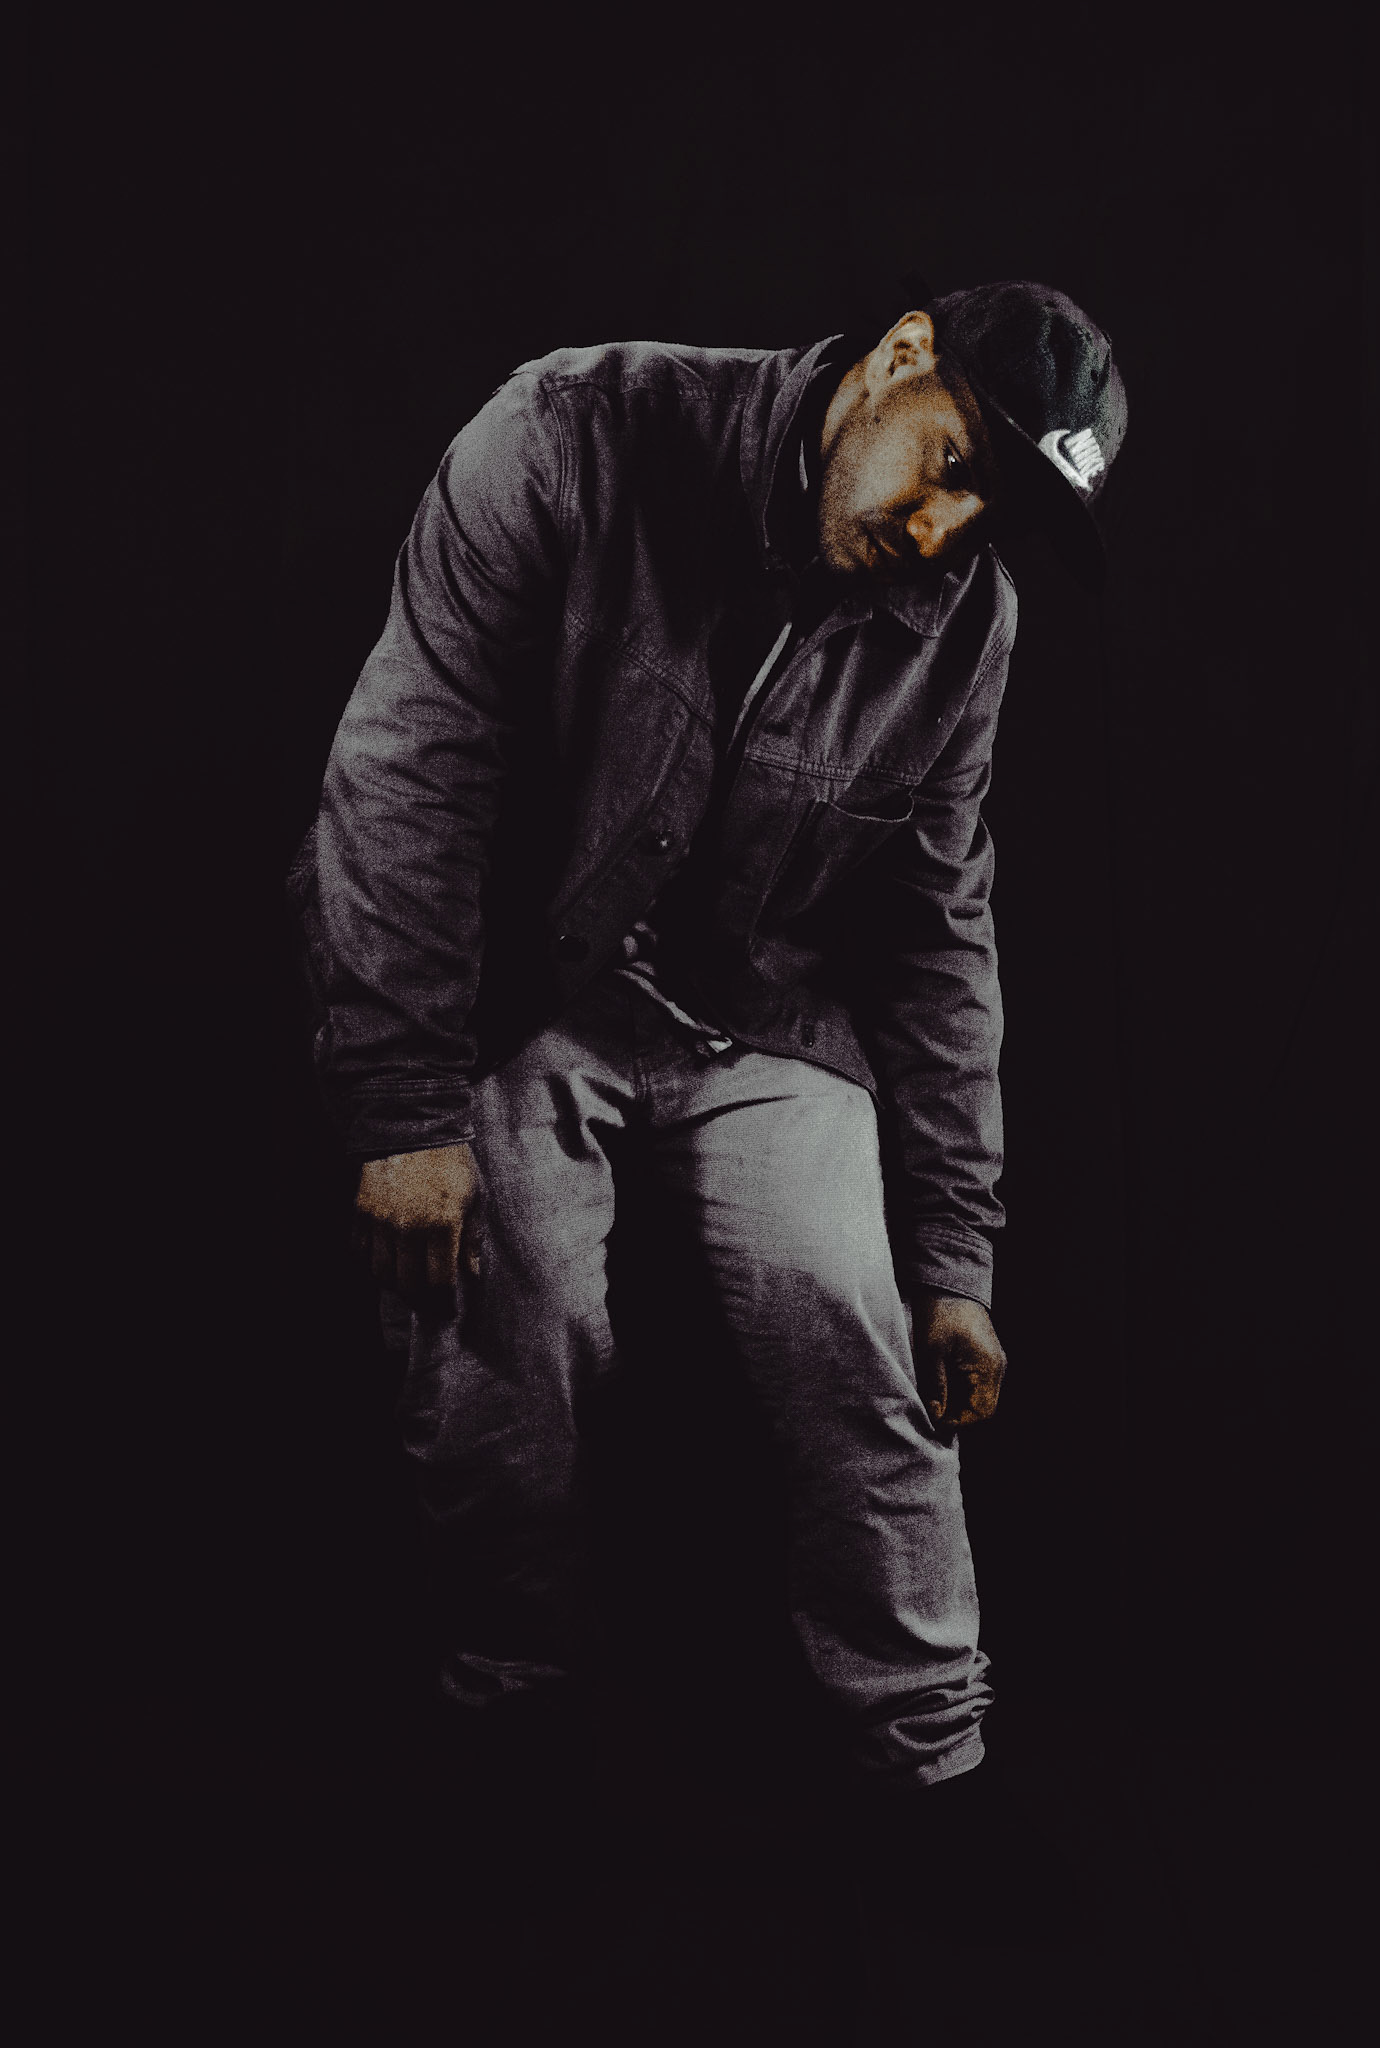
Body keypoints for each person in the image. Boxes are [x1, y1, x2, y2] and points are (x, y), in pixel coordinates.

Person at [292, 280, 1125, 1823]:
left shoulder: (966, 625)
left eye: (988, 517)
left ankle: (931, 1761)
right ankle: (518, 1712)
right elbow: (410, 771)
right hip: (514, 990)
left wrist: (958, 1259)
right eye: (951, 463)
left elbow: (938, 933)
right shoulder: (573, 434)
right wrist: (404, 1108)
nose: (942, 529)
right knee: (505, 1319)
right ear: (897, 357)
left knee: (862, 1325)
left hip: (757, 1011)